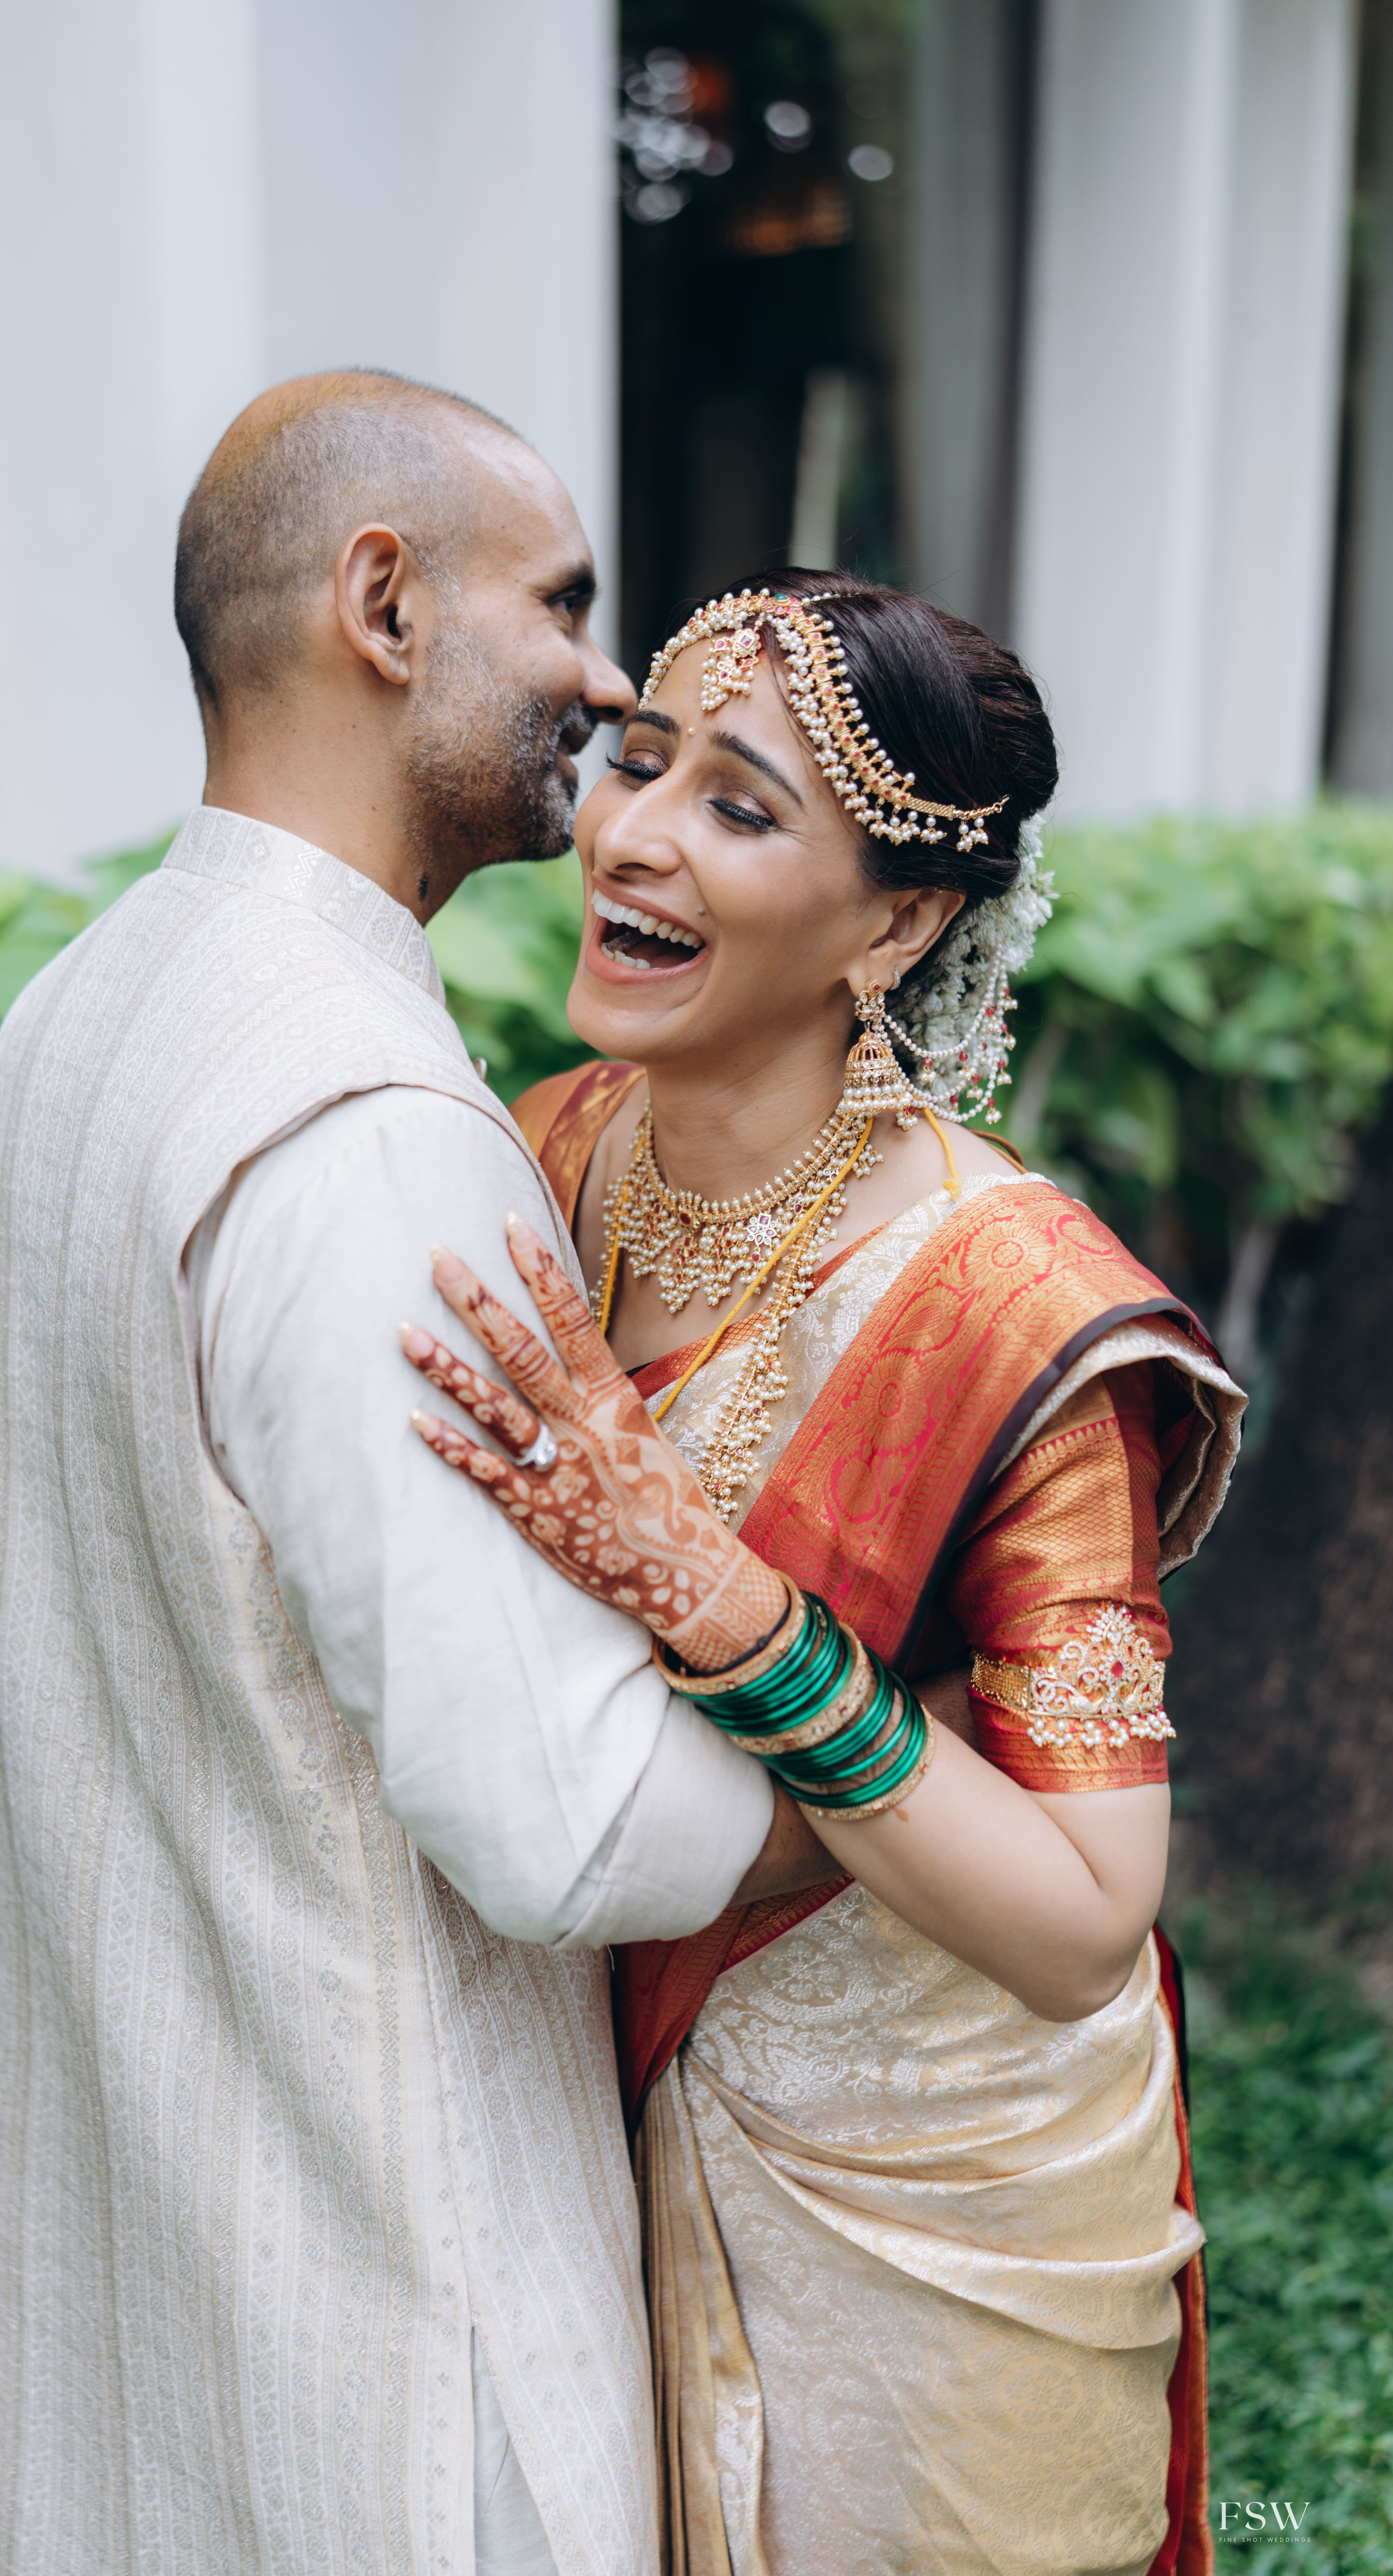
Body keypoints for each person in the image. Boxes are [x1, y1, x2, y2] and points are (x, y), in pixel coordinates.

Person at [0, 379, 836, 2575]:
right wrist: (892, 1779)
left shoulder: (77, 1013)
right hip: (387, 2338)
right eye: (562, 606)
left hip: (140, 2283)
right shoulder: (367, 1130)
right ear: (383, 603)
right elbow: (564, 1820)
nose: (605, 686)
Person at [402, 572, 1245, 2576]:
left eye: (742, 806)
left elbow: (1084, 1918)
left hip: (941, 2185)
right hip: (601, 2090)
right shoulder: (548, 1153)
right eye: (640, 761)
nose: (633, 834)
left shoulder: (1013, 1316)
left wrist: (718, 1604)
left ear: (898, 925)